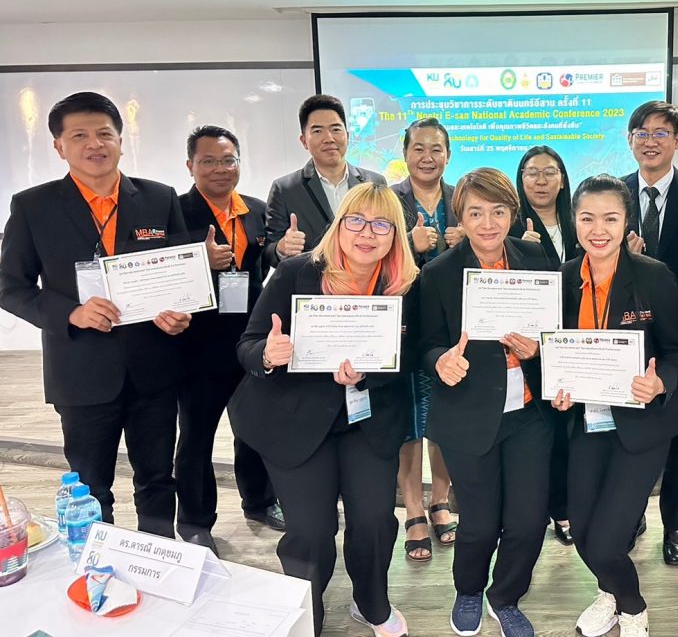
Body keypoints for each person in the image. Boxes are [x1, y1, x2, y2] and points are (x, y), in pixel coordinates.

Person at [229, 183, 418, 637]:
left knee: (374, 521)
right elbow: (248, 343)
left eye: (381, 224)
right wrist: (269, 353)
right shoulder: (296, 272)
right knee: (311, 531)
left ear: (395, 235)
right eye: (356, 221)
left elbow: (411, 356)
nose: (367, 233)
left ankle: (371, 603)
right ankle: (307, 611)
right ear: (339, 225)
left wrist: (370, 372)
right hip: (294, 419)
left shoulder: (407, 285)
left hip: (367, 420)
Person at [0, 91, 191, 538]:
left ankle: (157, 557)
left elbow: (181, 276)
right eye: (79, 135)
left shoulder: (159, 198)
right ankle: (97, 564)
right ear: (59, 146)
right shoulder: (32, 206)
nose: (94, 144)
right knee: (90, 487)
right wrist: (71, 313)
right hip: (81, 371)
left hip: (154, 369)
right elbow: (10, 287)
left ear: (121, 140)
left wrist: (182, 314)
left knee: (158, 480)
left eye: (104, 133)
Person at [550, 174, 678, 637]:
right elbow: (554, 352)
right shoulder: (563, 279)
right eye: (587, 218)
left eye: (610, 219)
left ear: (627, 221)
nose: (598, 230)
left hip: (642, 425)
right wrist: (556, 388)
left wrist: (660, 381)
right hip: (585, 422)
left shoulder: (653, 275)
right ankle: (610, 594)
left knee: (607, 539)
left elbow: (677, 352)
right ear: (574, 222)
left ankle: (632, 607)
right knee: (582, 529)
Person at [419, 168, 555, 637]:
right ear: (460, 216)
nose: (488, 223)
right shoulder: (439, 272)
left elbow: (556, 325)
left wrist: (541, 348)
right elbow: (425, 344)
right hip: (468, 414)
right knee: (478, 522)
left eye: (498, 211)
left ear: (513, 213)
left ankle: (506, 596)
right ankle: (470, 590)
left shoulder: (535, 257)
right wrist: (440, 361)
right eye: (475, 213)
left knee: (528, 520)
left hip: (530, 413)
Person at [175, 125, 283, 554]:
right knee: (196, 436)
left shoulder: (256, 210)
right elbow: (160, 271)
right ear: (191, 166)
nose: (220, 169)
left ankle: (259, 501)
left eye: (228, 160)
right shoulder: (175, 212)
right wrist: (198, 261)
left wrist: (280, 251)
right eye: (209, 161)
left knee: (254, 428)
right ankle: (195, 522)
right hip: (196, 345)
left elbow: (264, 259)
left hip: (250, 341)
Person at [621, 101, 678, 566]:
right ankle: (630, 513)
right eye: (641, 132)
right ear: (630, 140)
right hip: (625, 337)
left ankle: (677, 523)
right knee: (629, 433)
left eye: (661, 133)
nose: (650, 141)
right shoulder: (612, 193)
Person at [390, 117, 464, 561]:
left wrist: (466, 241)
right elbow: (369, 252)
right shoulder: (389, 200)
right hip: (403, 326)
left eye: (436, 149)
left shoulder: (463, 199)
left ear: (448, 155)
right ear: (405, 154)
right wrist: (408, 243)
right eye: (418, 148)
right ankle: (413, 508)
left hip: (449, 329)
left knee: (443, 417)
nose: (427, 157)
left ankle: (440, 500)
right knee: (409, 421)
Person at [511, 145, 578, 546]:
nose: (540, 181)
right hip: (533, 349)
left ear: (563, 179)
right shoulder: (512, 228)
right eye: (531, 173)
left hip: (577, 341)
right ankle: (558, 510)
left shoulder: (578, 221)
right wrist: (522, 249)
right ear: (520, 180)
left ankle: (575, 503)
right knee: (549, 432)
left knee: (575, 431)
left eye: (549, 172)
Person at [265, 94, 386, 263]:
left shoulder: (375, 182)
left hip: (365, 277)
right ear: (304, 141)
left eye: (336, 129)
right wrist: (281, 248)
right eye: (317, 131)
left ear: (347, 135)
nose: (329, 138)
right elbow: (268, 252)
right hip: (310, 278)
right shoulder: (285, 189)